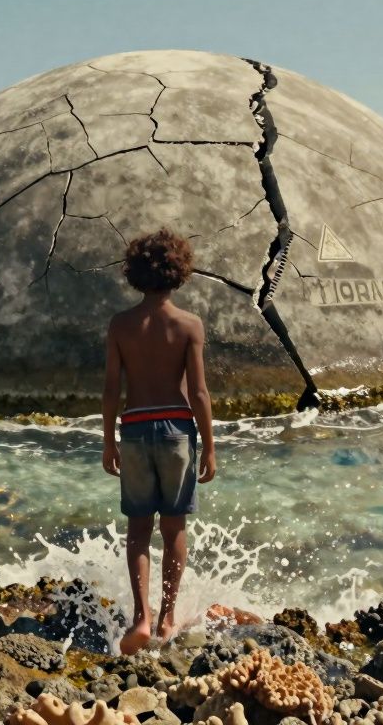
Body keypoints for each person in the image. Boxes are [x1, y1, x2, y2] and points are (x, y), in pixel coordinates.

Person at [101, 228, 217, 656]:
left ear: (135, 272)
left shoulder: (121, 325)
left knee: (137, 532)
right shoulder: (188, 325)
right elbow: (200, 393)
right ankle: (168, 617)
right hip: (176, 433)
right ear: (179, 271)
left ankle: (141, 618)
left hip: (133, 430)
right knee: (174, 529)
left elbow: (112, 388)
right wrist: (209, 444)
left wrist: (108, 441)